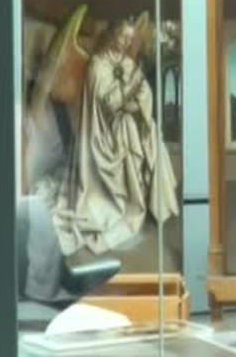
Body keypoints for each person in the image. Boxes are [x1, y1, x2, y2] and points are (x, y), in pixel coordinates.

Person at [50, 19, 180, 256]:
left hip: (126, 121)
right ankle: (128, 203)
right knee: (127, 130)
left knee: (150, 133)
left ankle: (154, 205)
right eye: (123, 36)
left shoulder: (128, 63)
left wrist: (136, 105)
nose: (127, 42)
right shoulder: (97, 65)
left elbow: (144, 93)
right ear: (112, 35)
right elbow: (109, 105)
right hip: (102, 134)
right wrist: (132, 89)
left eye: (130, 38)